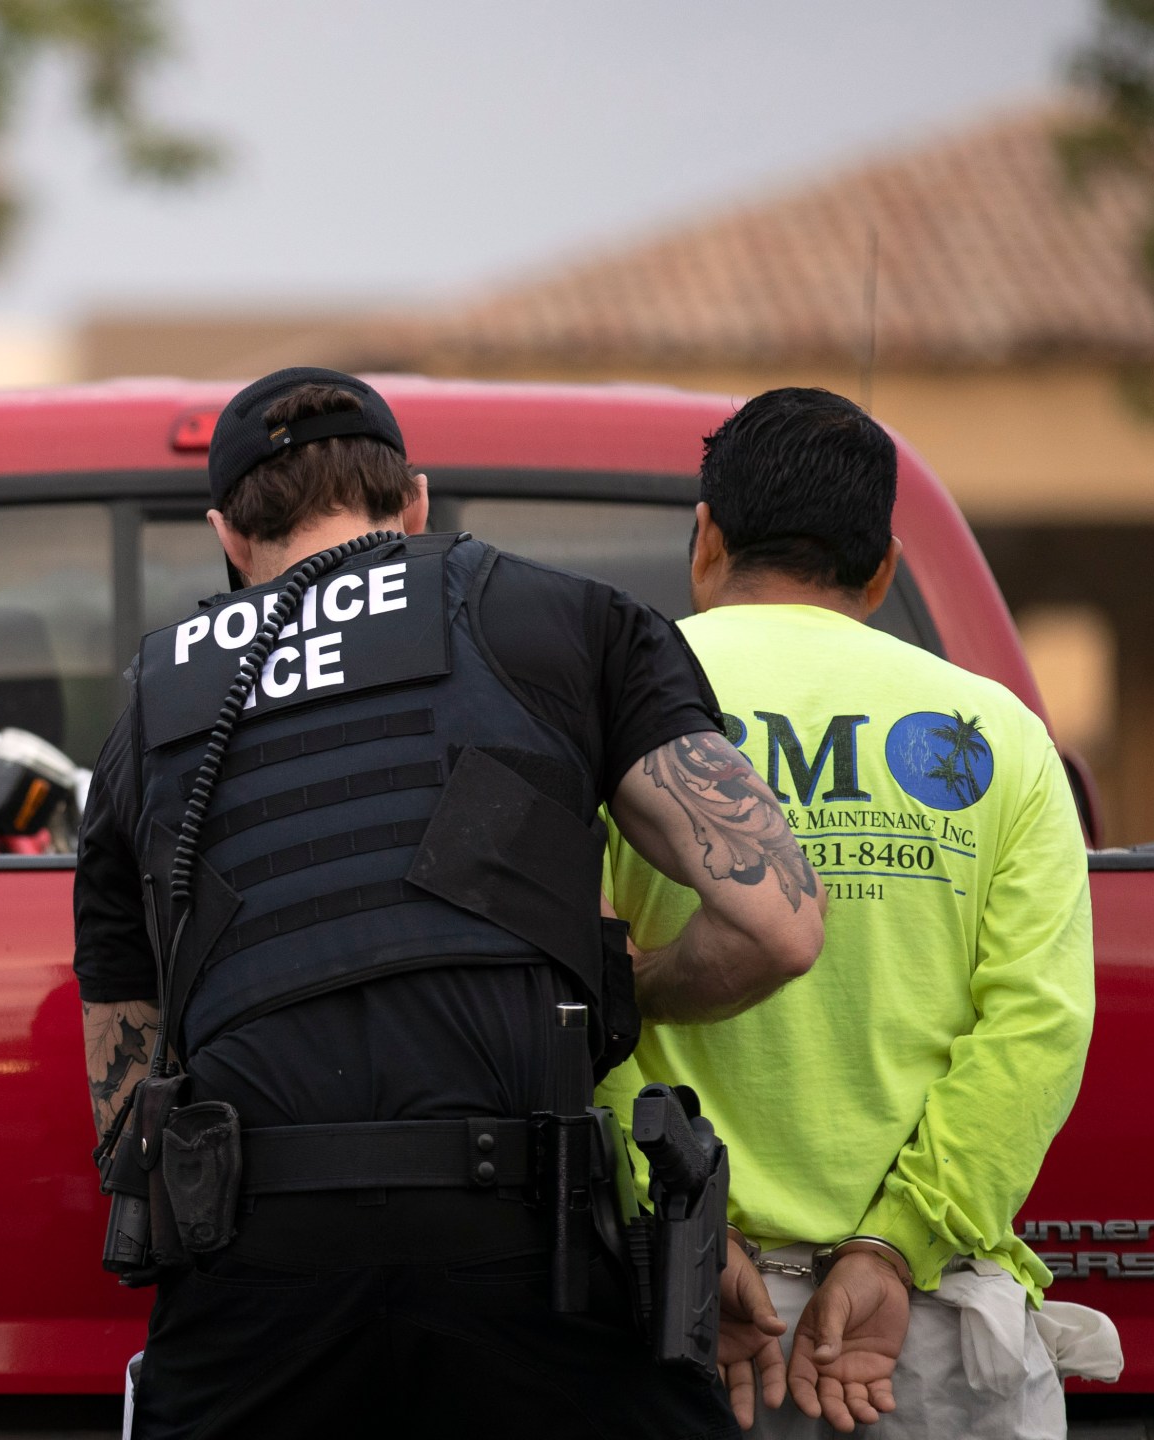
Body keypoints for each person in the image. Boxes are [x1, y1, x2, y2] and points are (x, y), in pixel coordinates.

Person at [73, 366, 827, 1439]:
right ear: (415, 503)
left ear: (227, 540)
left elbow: (122, 1101)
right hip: (526, 1246)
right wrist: (620, 992)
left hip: (257, 1265)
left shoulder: (149, 707)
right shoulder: (560, 617)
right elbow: (780, 922)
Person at [600, 387, 1100, 1438]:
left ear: (707, 541)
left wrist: (688, 1230)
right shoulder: (999, 737)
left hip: (679, 1324)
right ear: (880, 572)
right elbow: (1038, 1023)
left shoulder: (609, 712)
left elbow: (568, 992)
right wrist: (896, 1241)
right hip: (922, 1337)